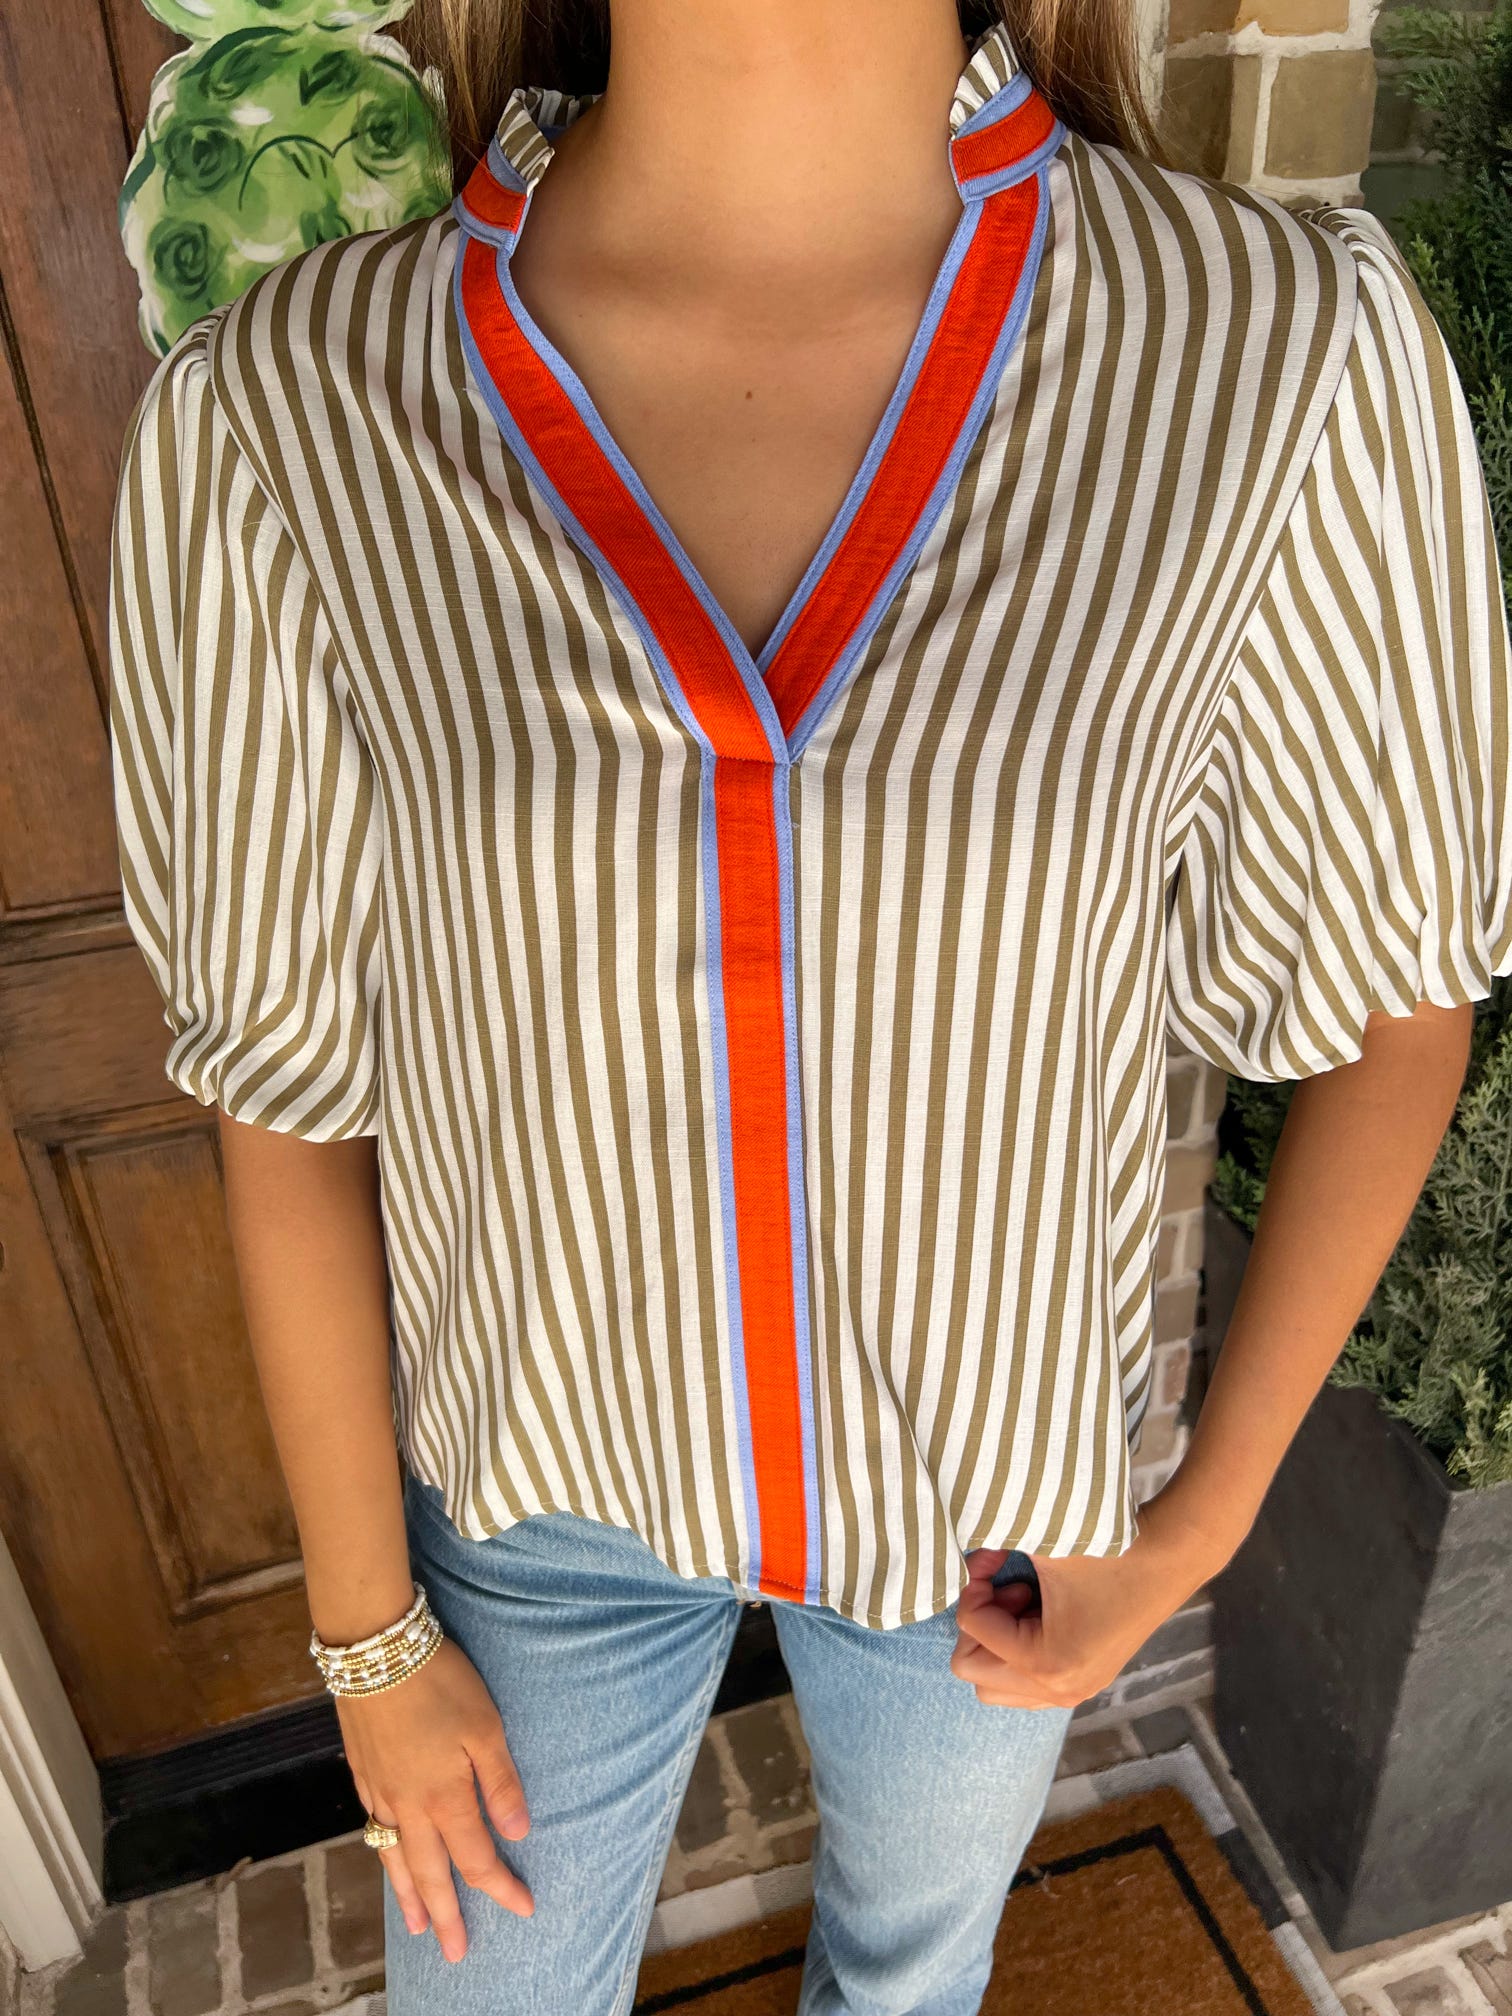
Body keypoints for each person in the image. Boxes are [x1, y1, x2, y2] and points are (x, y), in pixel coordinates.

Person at [105, 0, 1512, 2011]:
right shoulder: (296, 412)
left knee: (914, 1972)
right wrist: (369, 1643)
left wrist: (1194, 1527)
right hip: (535, 1506)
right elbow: (287, 1086)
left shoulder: (1271, 357)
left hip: (1003, 1512)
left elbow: (1394, 992)